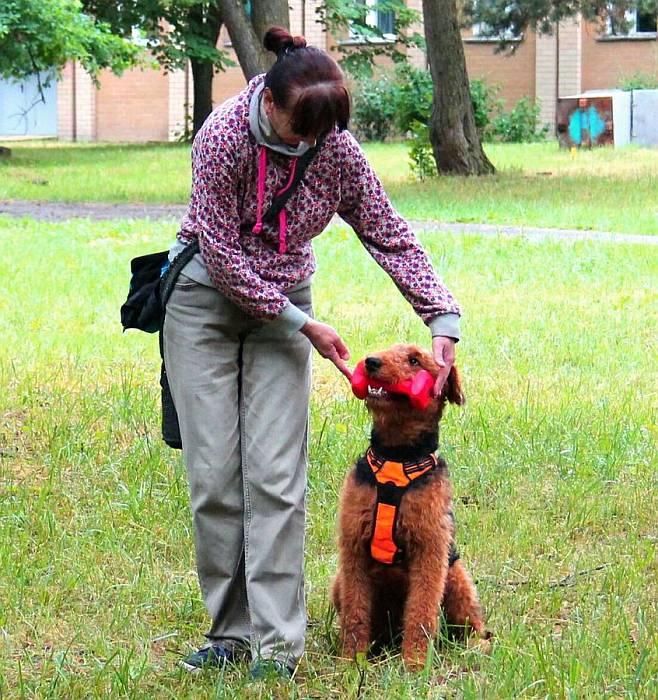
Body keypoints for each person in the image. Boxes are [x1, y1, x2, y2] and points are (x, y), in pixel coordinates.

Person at [163, 26, 461, 679]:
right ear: (268, 104)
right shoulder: (220, 139)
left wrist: (441, 313)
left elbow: (390, 234)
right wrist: (306, 324)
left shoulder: (334, 149)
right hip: (207, 301)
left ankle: (277, 648)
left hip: (286, 306)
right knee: (216, 479)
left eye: (323, 135)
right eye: (300, 131)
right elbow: (222, 253)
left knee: (276, 479)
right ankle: (231, 633)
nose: (310, 146)